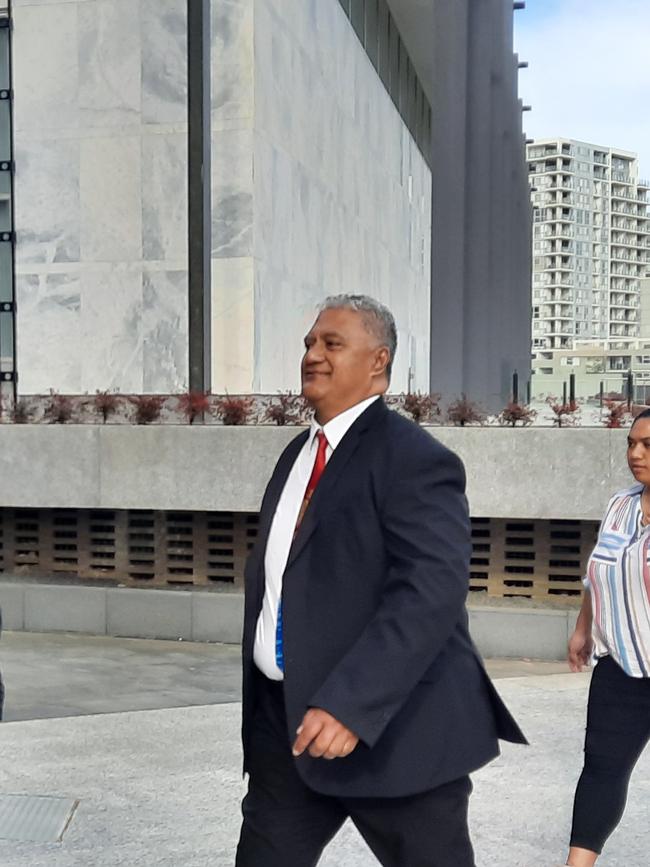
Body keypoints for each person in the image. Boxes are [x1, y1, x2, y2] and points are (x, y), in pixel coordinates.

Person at [236, 294, 526, 867]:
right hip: (288, 731)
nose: (312, 355)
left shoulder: (414, 457)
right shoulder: (297, 454)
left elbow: (430, 592)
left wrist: (350, 705)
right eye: (309, 344)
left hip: (395, 734)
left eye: (332, 344)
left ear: (378, 362)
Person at [560, 408, 650, 867]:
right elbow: (599, 572)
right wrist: (582, 629)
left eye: (647, 445)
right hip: (622, 664)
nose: (635, 454)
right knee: (601, 770)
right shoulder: (620, 506)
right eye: (631, 444)